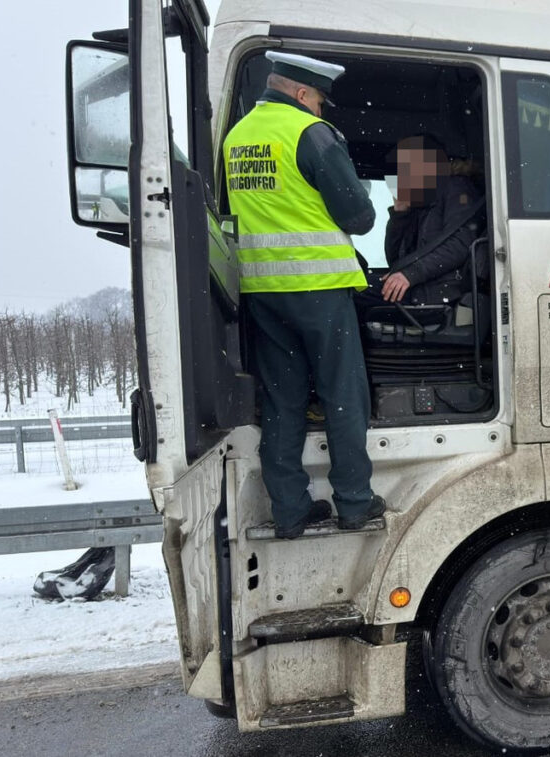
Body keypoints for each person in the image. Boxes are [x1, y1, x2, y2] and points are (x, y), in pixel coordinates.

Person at [223, 51, 385, 538]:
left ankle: (290, 509)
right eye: (317, 99)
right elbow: (359, 217)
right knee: (342, 395)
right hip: (319, 287)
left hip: (263, 291)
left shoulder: (236, 137)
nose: (320, 108)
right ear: (300, 92)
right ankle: (355, 502)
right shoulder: (308, 132)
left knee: (282, 399)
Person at [358, 135, 484, 310]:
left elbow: (460, 245)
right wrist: (400, 213)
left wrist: (411, 274)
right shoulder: (421, 202)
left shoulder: (457, 188)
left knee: (354, 292)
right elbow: (395, 260)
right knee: (354, 286)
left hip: (438, 292)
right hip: (420, 288)